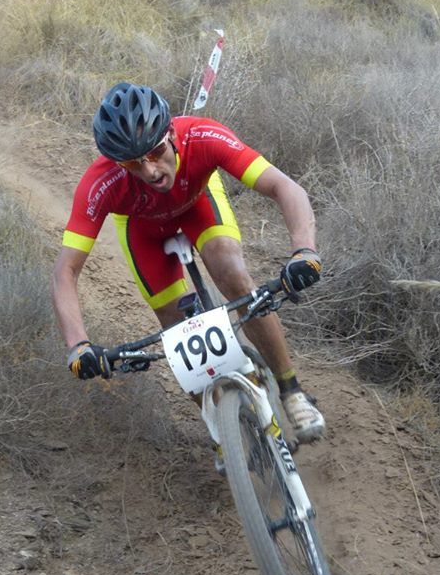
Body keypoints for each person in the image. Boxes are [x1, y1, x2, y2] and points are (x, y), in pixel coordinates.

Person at [51, 82, 325, 450]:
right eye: (133, 164)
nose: (150, 171)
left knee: (233, 275)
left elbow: (284, 187)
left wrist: (304, 251)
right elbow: (66, 271)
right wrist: (78, 346)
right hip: (143, 230)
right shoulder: (101, 182)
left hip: (198, 203)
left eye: (156, 152)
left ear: (172, 134)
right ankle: (220, 428)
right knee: (175, 326)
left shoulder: (203, 136)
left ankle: (291, 391)